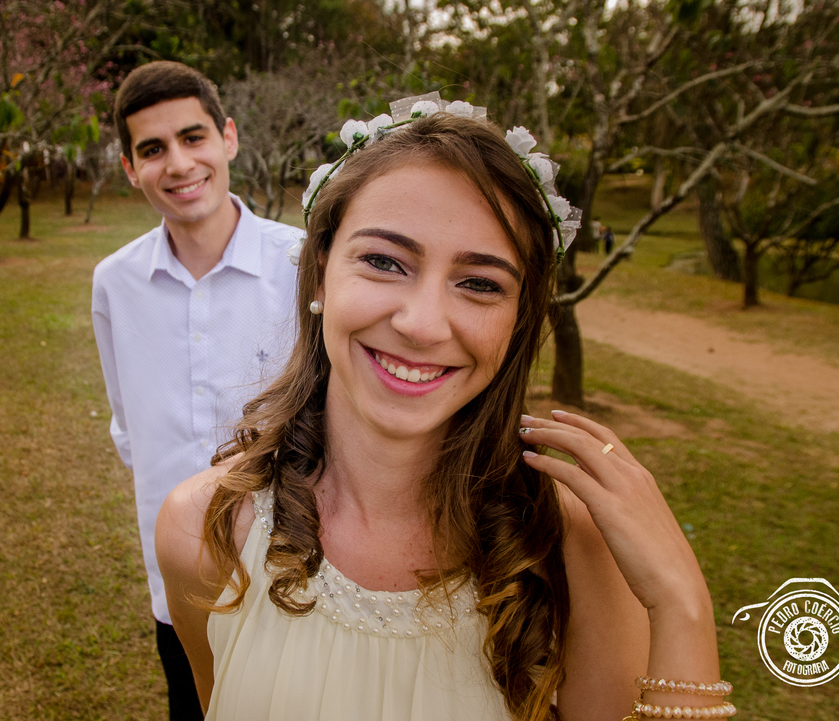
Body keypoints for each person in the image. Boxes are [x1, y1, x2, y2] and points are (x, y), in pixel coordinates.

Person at [156, 96, 728, 720]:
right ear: (320, 274)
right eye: (384, 262)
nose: (423, 324)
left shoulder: (573, 544)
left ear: (519, 318)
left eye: (480, 283)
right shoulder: (203, 530)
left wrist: (682, 604)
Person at [91, 61, 302, 721]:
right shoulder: (114, 282)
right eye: (152, 149)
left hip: (293, 565)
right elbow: (129, 427)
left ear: (228, 137)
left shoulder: (302, 263)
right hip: (178, 578)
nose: (179, 164)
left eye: (193, 137)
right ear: (130, 168)